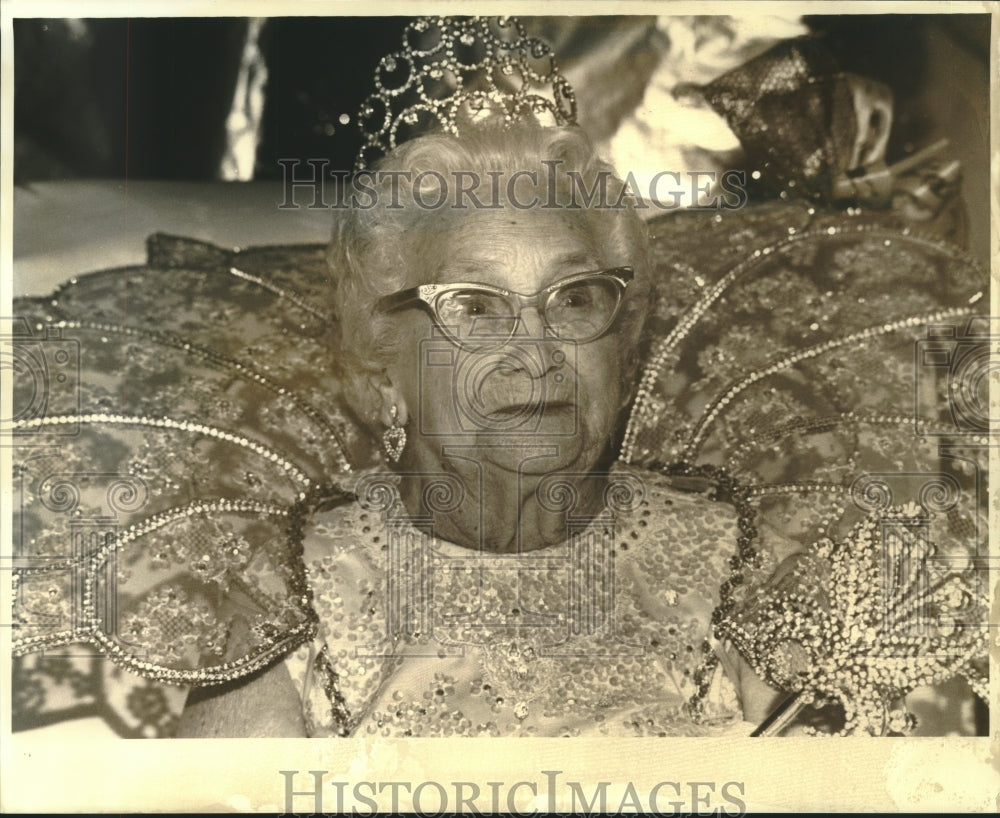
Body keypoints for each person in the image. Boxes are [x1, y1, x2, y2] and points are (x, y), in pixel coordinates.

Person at [12, 16, 987, 739]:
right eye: (472, 308)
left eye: (575, 301)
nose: (535, 353)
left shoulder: (734, 559)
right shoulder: (301, 583)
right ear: (384, 369)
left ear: (623, 343)